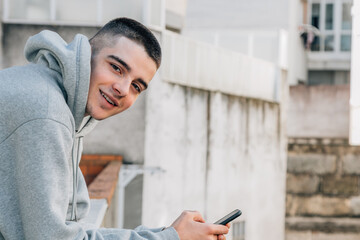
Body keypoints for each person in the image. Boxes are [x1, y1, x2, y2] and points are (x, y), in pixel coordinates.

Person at [0, 18, 230, 240]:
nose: (122, 89)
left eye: (136, 86)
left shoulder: (51, 97)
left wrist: (168, 235)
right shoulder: (47, 113)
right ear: (87, 54)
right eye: (116, 68)